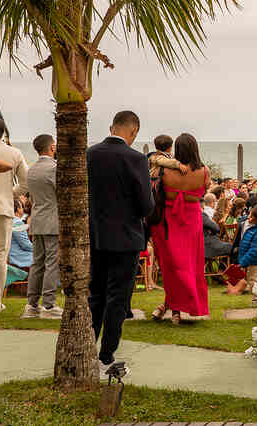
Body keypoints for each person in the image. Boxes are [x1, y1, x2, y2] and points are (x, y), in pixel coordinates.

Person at [88, 111, 154, 377]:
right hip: (126, 237)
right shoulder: (136, 158)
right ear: (134, 131)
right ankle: (106, 353)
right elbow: (146, 205)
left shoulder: (90, 154)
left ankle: (87, 346)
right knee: (118, 297)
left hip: (97, 235)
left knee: (96, 293)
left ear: (111, 127)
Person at [149, 133, 211, 325]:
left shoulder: (165, 171)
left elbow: (151, 171)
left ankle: (172, 307)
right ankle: (174, 307)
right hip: (192, 220)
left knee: (171, 266)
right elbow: (205, 189)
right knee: (190, 265)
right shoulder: (204, 171)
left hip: (168, 221)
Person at [23, 134, 61, 319]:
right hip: (52, 220)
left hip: (36, 220)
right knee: (51, 263)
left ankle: (31, 305)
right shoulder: (53, 169)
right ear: (52, 147)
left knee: (37, 263)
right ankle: (48, 305)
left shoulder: (32, 170)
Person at [0, 116, 28, 315]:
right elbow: (25, 183)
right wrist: (11, 193)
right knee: (0, 255)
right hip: (3, 206)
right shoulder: (14, 153)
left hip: (4, 205)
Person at [239, 203, 257, 299]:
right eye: (250, 215)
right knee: (256, 278)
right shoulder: (246, 223)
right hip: (246, 256)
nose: (250, 219)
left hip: (254, 259)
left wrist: (243, 262)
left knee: (252, 280)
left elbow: (254, 250)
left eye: (253, 219)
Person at [9, 197, 32, 268]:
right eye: (22, 207)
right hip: (19, 257)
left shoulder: (9, 221)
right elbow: (25, 245)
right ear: (18, 209)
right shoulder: (17, 222)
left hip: (12, 255)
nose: (23, 209)